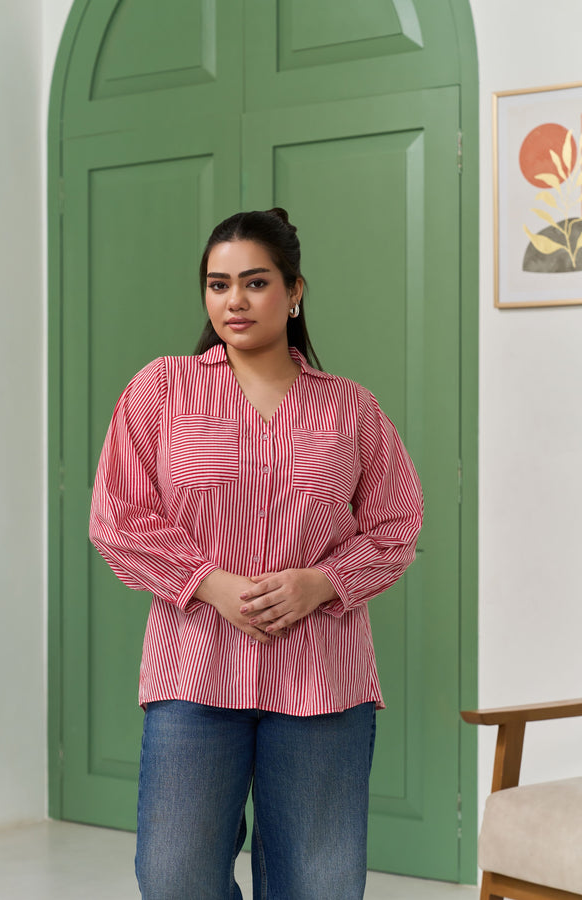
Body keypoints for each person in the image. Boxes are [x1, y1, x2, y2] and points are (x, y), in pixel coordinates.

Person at [89, 208, 423, 900]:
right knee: (175, 877)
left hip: (322, 678)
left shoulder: (351, 409)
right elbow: (117, 518)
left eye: (255, 282)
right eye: (218, 285)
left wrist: (320, 583)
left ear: (294, 291)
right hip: (194, 670)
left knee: (320, 886)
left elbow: (396, 525)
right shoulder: (162, 390)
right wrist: (209, 583)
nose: (234, 301)